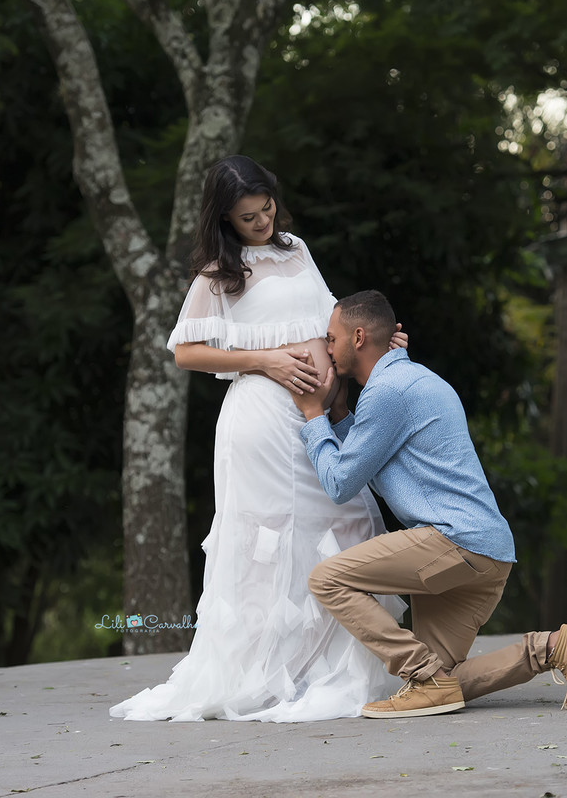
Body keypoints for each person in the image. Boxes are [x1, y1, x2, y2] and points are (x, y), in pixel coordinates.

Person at [110, 156, 406, 723]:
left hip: (316, 417)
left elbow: (333, 324)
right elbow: (185, 352)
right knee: (269, 541)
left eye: (266, 206)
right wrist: (266, 360)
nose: (262, 220)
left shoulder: (295, 247)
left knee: (347, 521)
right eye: (248, 216)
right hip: (261, 424)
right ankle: (266, 671)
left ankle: (336, 664)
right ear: (224, 218)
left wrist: (377, 345)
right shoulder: (216, 274)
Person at [291, 289, 567, 718]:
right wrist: (341, 415)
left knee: (328, 579)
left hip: (454, 543)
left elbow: (341, 482)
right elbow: (374, 472)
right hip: (487, 553)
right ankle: (554, 647)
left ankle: (419, 668)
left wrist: (313, 416)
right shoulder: (410, 380)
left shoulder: (389, 392)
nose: (326, 348)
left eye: (331, 338)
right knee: (439, 683)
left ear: (358, 337)